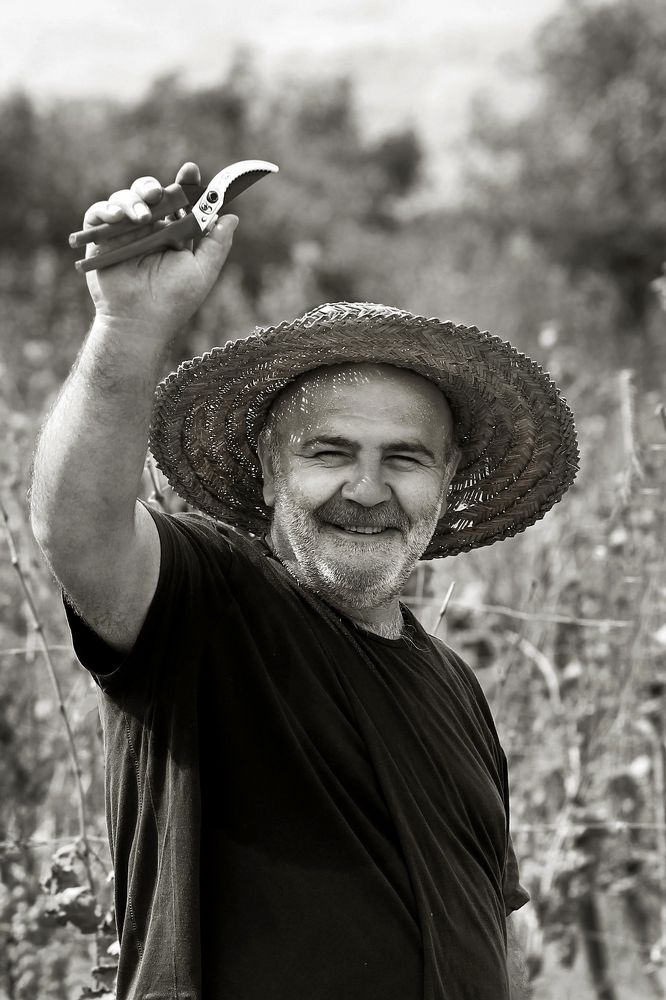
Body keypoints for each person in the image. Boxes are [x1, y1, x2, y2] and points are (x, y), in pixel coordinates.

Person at [30, 161, 578, 1000]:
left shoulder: (455, 687)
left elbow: (492, 922)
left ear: (447, 479)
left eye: (405, 458)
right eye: (330, 453)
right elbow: (79, 529)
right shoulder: (209, 607)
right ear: (268, 465)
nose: (367, 489)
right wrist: (128, 327)